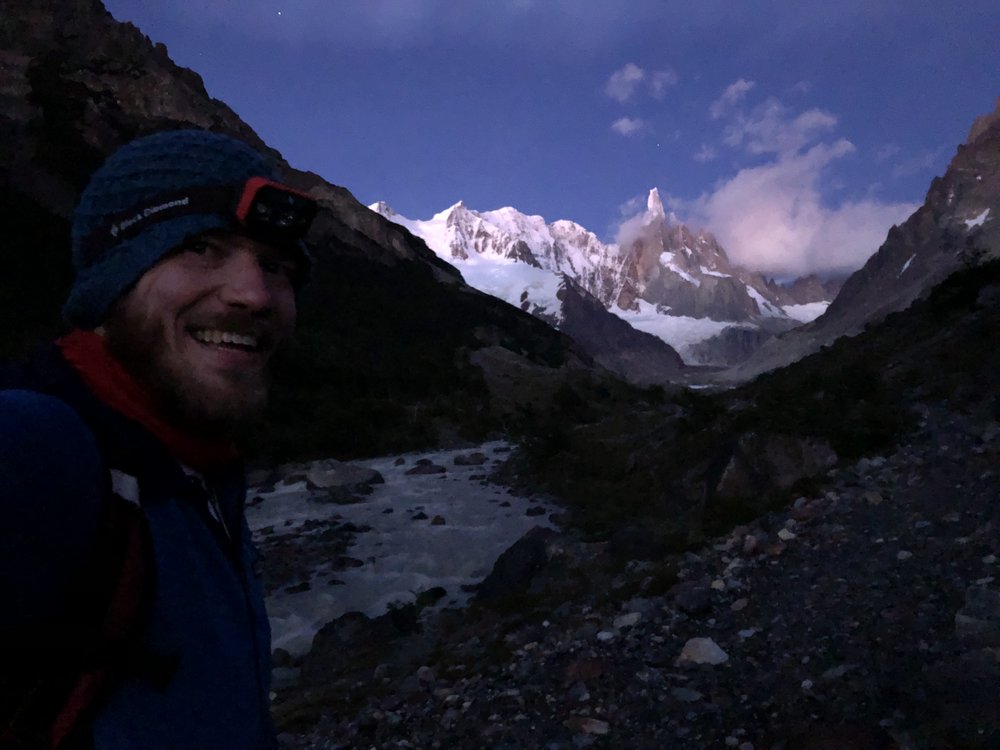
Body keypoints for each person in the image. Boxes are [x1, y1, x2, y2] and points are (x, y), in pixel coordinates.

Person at [0, 129, 317, 749]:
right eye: (200, 248)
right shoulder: (39, 449)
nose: (253, 295)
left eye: (275, 267)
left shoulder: (198, 464)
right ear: (114, 277)